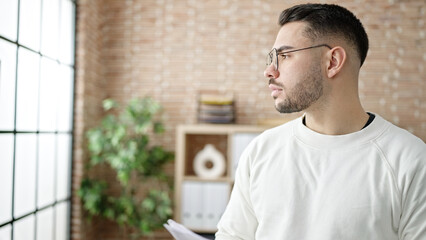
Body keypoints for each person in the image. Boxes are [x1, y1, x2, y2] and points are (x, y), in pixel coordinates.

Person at [215, 3, 426, 240]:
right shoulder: (260, 151)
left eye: (285, 56)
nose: (269, 71)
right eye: (272, 58)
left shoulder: (410, 160)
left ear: (333, 61)